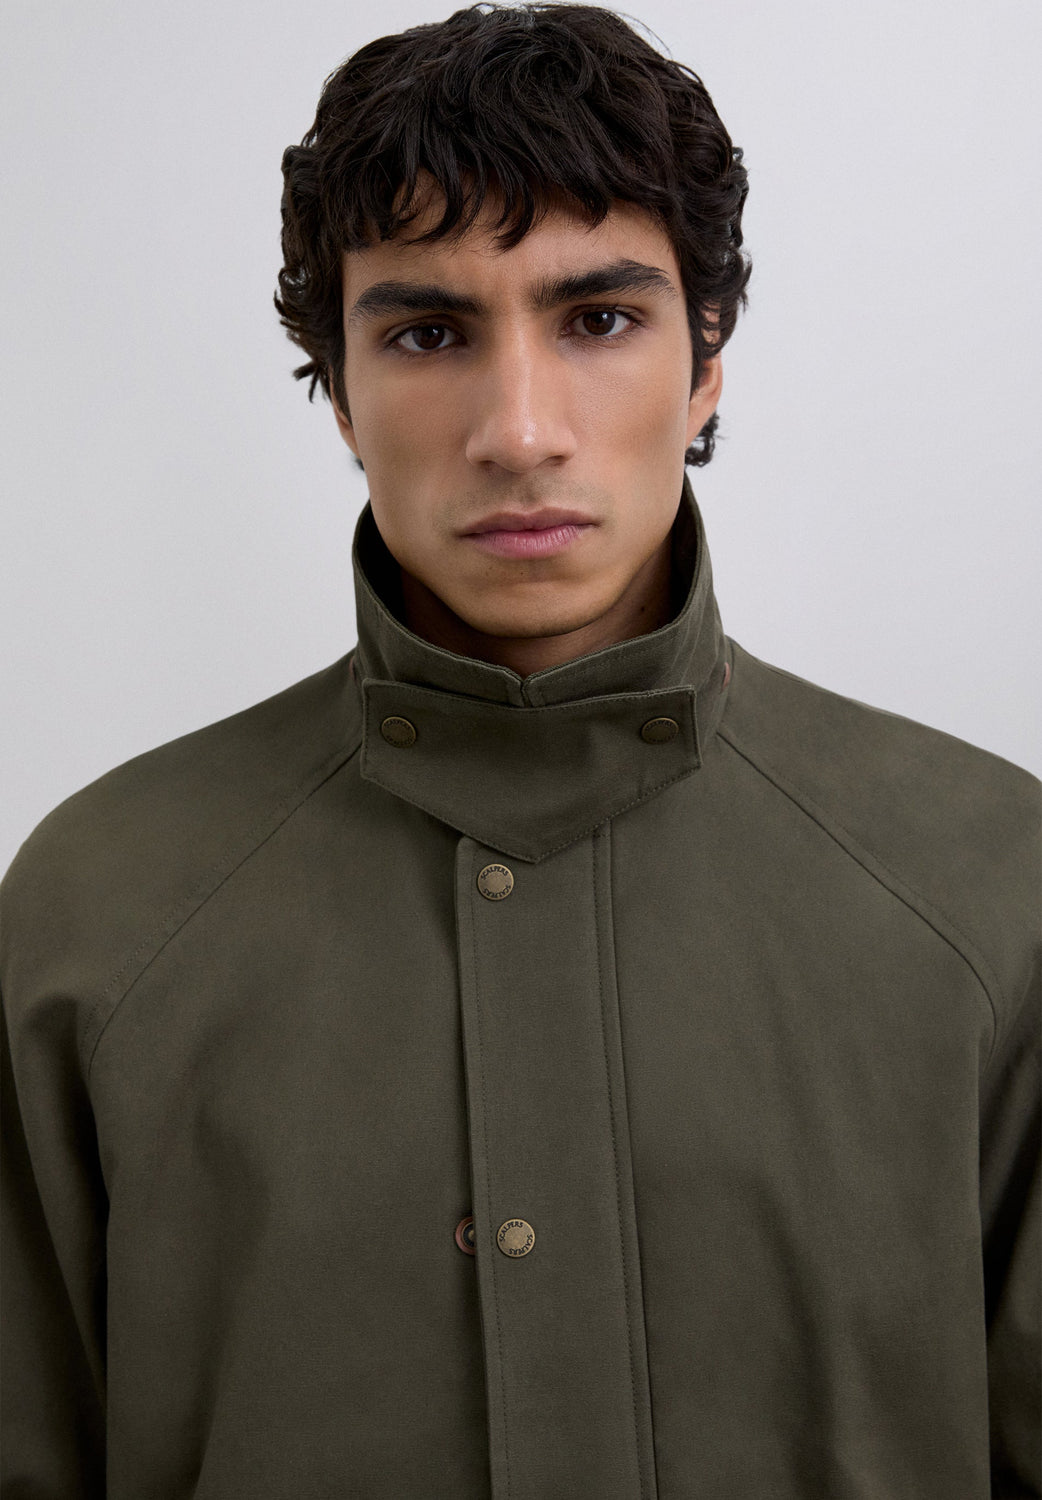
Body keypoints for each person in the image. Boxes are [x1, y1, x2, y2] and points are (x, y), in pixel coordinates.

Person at [2, 2, 1038, 1495]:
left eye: (598, 320)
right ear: (340, 391)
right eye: (427, 333)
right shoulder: (96, 912)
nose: (520, 428)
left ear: (706, 363)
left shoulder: (992, 888)